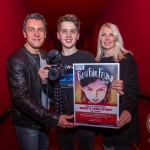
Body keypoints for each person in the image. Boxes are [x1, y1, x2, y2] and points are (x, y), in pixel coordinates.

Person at [38, 14, 123, 150]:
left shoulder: (87, 57)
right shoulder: (52, 61)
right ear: (58, 35)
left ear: (78, 35)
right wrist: (43, 80)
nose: (68, 35)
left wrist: (115, 86)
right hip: (62, 117)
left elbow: (100, 82)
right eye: (64, 31)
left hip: (86, 117)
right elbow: (51, 94)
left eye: (73, 31)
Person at [6, 13, 77, 150]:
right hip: (28, 124)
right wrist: (54, 119)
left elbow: (50, 92)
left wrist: (45, 82)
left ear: (45, 34)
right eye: (31, 29)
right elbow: (21, 98)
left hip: (44, 121)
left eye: (40, 30)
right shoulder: (16, 60)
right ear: (24, 33)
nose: (36, 33)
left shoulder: (45, 56)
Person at [95, 23, 140, 150]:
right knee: (107, 146)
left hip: (121, 118)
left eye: (111, 35)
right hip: (104, 118)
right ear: (100, 39)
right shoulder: (95, 62)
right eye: (103, 35)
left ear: (116, 38)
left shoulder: (127, 58)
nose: (107, 38)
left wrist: (129, 110)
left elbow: (134, 89)